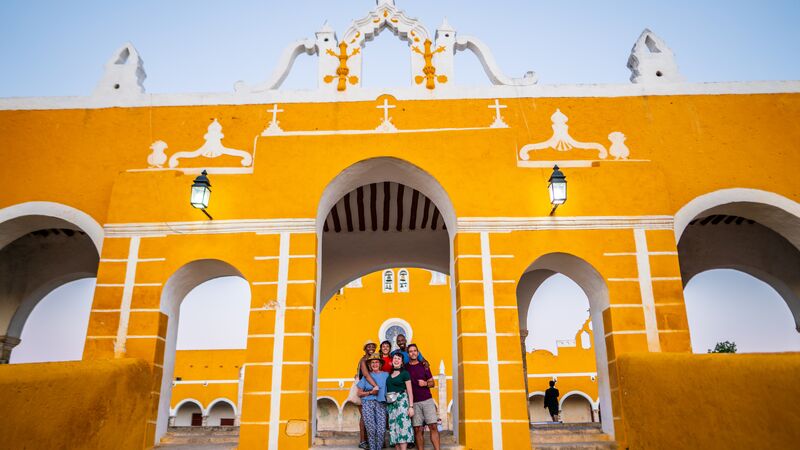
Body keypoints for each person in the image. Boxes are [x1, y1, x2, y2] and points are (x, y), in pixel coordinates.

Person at [406, 344, 439, 450]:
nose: (413, 353)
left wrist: (425, 384)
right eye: (410, 351)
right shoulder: (405, 368)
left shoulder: (424, 365)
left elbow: (432, 383)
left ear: (418, 352)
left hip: (427, 400)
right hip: (414, 402)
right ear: (408, 354)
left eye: (415, 351)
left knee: (433, 426)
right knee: (417, 429)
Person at [357, 354, 389, 450]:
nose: (375, 364)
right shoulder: (366, 377)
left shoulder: (386, 375)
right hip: (367, 403)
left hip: (381, 404)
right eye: (372, 362)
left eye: (377, 362)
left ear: (380, 364)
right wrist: (371, 392)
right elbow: (359, 393)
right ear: (370, 365)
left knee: (381, 430)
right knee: (371, 430)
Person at [386, 353, 415, 449]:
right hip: (391, 404)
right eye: (395, 358)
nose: (396, 360)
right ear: (392, 360)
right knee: (393, 429)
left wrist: (411, 407)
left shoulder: (405, 373)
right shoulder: (389, 375)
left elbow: (410, 392)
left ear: (402, 362)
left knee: (403, 427)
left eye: (399, 359)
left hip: (402, 402)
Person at [357, 340, 380, 449]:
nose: (371, 348)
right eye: (368, 346)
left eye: (373, 346)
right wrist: (377, 386)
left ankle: (373, 440)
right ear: (365, 348)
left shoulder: (373, 359)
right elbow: (366, 375)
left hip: (371, 391)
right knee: (363, 416)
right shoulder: (363, 360)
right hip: (364, 389)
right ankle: (362, 440)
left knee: (372, 417)